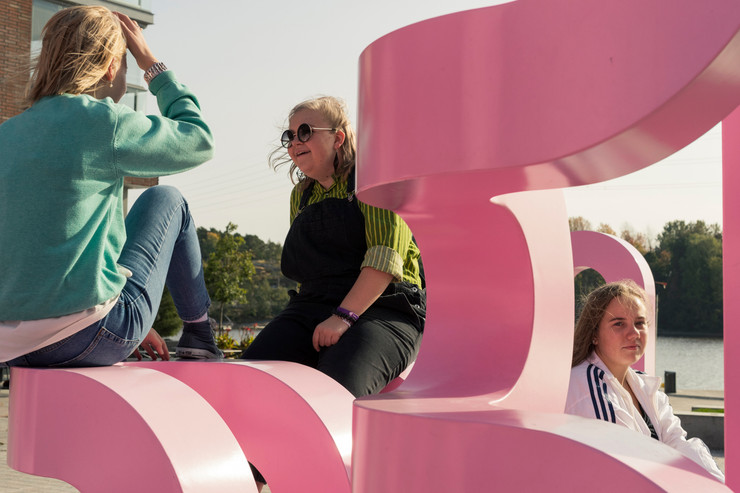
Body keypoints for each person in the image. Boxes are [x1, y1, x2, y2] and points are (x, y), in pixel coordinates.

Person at [0, 5, 220, 367]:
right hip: (90, 334)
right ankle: (199, 336)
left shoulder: (7, 133)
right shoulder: (103, 122)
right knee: (166, 199)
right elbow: (199, 140)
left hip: (14, 348)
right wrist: (152, 65)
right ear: (110, 67)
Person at [565, 280, 724, 482]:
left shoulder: (644, 385)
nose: (634, 333)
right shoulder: (586, 386)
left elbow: (680, 446)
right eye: (619, 324)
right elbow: (625, 468)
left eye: (639, 323)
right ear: (594, 334)